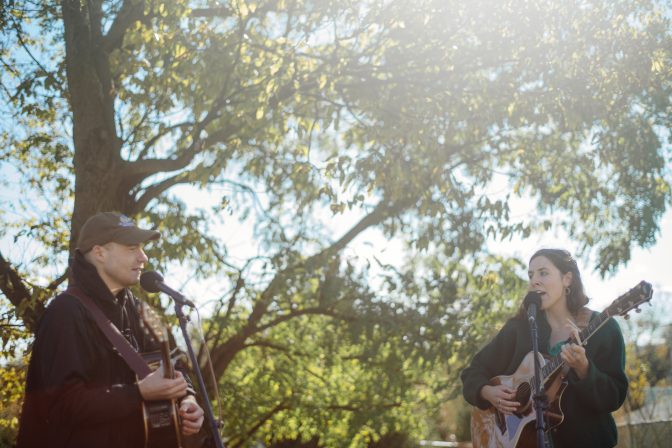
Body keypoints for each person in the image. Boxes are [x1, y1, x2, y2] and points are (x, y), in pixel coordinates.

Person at [17, 212, 205, 448]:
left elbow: (176, 365)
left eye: (142, 248)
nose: (143, 257)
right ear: (99, 253)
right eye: (132, 248)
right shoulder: (65, 313)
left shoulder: (142, 313)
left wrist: (188, 400)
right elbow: (62, 405)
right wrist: (138, 393)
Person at [461, 248, 628, 448]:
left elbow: (614, 397)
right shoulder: (519, 329)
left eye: (543, 273)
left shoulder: (603, 328)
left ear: (567, 279)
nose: (534, 281)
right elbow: (474, 371)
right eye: (531, 275)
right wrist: (487, 392)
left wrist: (584, 369)